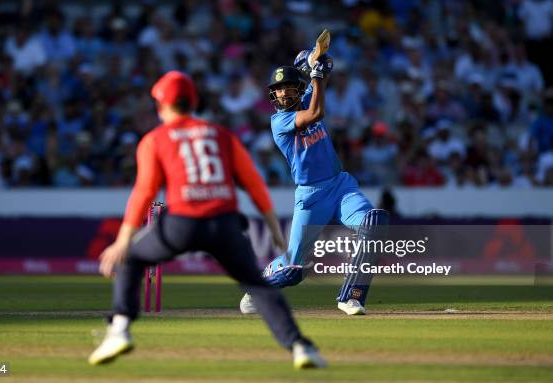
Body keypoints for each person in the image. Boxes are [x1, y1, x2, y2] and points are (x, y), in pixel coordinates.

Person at [88, 71, 326, 369]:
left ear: (162, 105)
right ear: (193, 101)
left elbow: (143, 193)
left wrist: (123, 241)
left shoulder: (154, 139)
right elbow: (253, 184)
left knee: (131, 260)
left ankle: (119, 331)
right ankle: (300, 347)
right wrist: (274, 228)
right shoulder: (221, 135)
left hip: (181, 223)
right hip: (225, 223)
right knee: (258, 286)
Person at [239, 51, 389, 316]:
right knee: (293, 271)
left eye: (287, 89)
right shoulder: (279, 121)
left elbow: (327, 68)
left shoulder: (306, 98)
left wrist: (315, 61)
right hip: (311, 197)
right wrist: (315, 73)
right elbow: (317, 113)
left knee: (374, 222)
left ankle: (351, 297)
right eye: (278, 90)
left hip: (341, 186)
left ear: (298, 89)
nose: (283, 95)